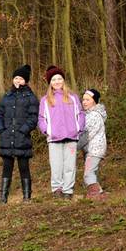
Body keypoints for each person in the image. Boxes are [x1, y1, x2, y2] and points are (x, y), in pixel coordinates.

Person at [38, 66, 85, 199]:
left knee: (70, 166)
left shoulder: (73, 97)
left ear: (63, 80)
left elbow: (80, 114)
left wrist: (78, 128)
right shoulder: (45, 100)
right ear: (50, 82)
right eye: (54, 79)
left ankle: (68, 190)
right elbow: (41, 118)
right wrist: (47, 130)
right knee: (56, 166)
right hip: (54, 138)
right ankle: (57, 189)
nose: (57, 81)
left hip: (71, 137)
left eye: (59, 78)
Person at [0, 64, 39, 203]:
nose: (17, 80)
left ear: (25, 81)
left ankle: (27, 197)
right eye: (16, 78)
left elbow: (33, 118)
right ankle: (3, 198)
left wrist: (23, 130)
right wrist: (1, 130)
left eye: (20, 78)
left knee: (24, 167)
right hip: (7, 137)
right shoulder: (6, 97)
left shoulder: (31, 97)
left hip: (22, 138)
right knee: (7, 167)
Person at [79, 88, 108, 200]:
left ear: (95, 101)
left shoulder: (94, 115)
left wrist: (75, 146)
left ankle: (94, 194)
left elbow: (87, 134)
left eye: (88, 100)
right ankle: (100, 194)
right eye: (83, 100)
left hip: (94, 150)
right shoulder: (88, 114)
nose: (84, 102)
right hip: (91, 150)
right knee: (92, 172)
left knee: (88, 173)